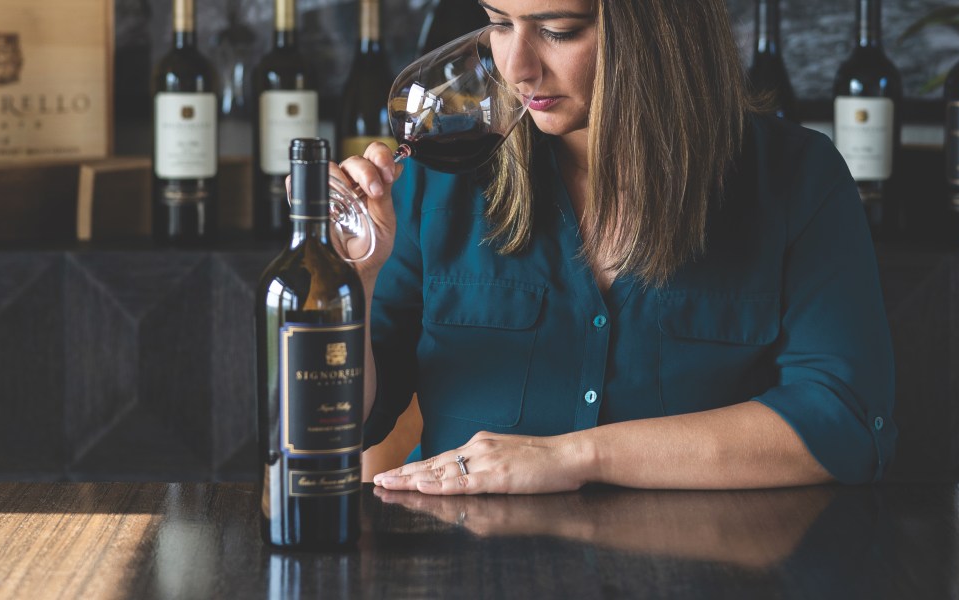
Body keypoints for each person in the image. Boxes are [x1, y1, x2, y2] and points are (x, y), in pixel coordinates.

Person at [332, 0, 896, 495]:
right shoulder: (439, 179)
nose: (516, 68)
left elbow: (842, 422)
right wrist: (350, 281)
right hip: (466, 568)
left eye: (557, 30)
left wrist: (571, 457)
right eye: (499, 24)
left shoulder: (796, 178)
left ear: (658, 32)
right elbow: (346, 424)